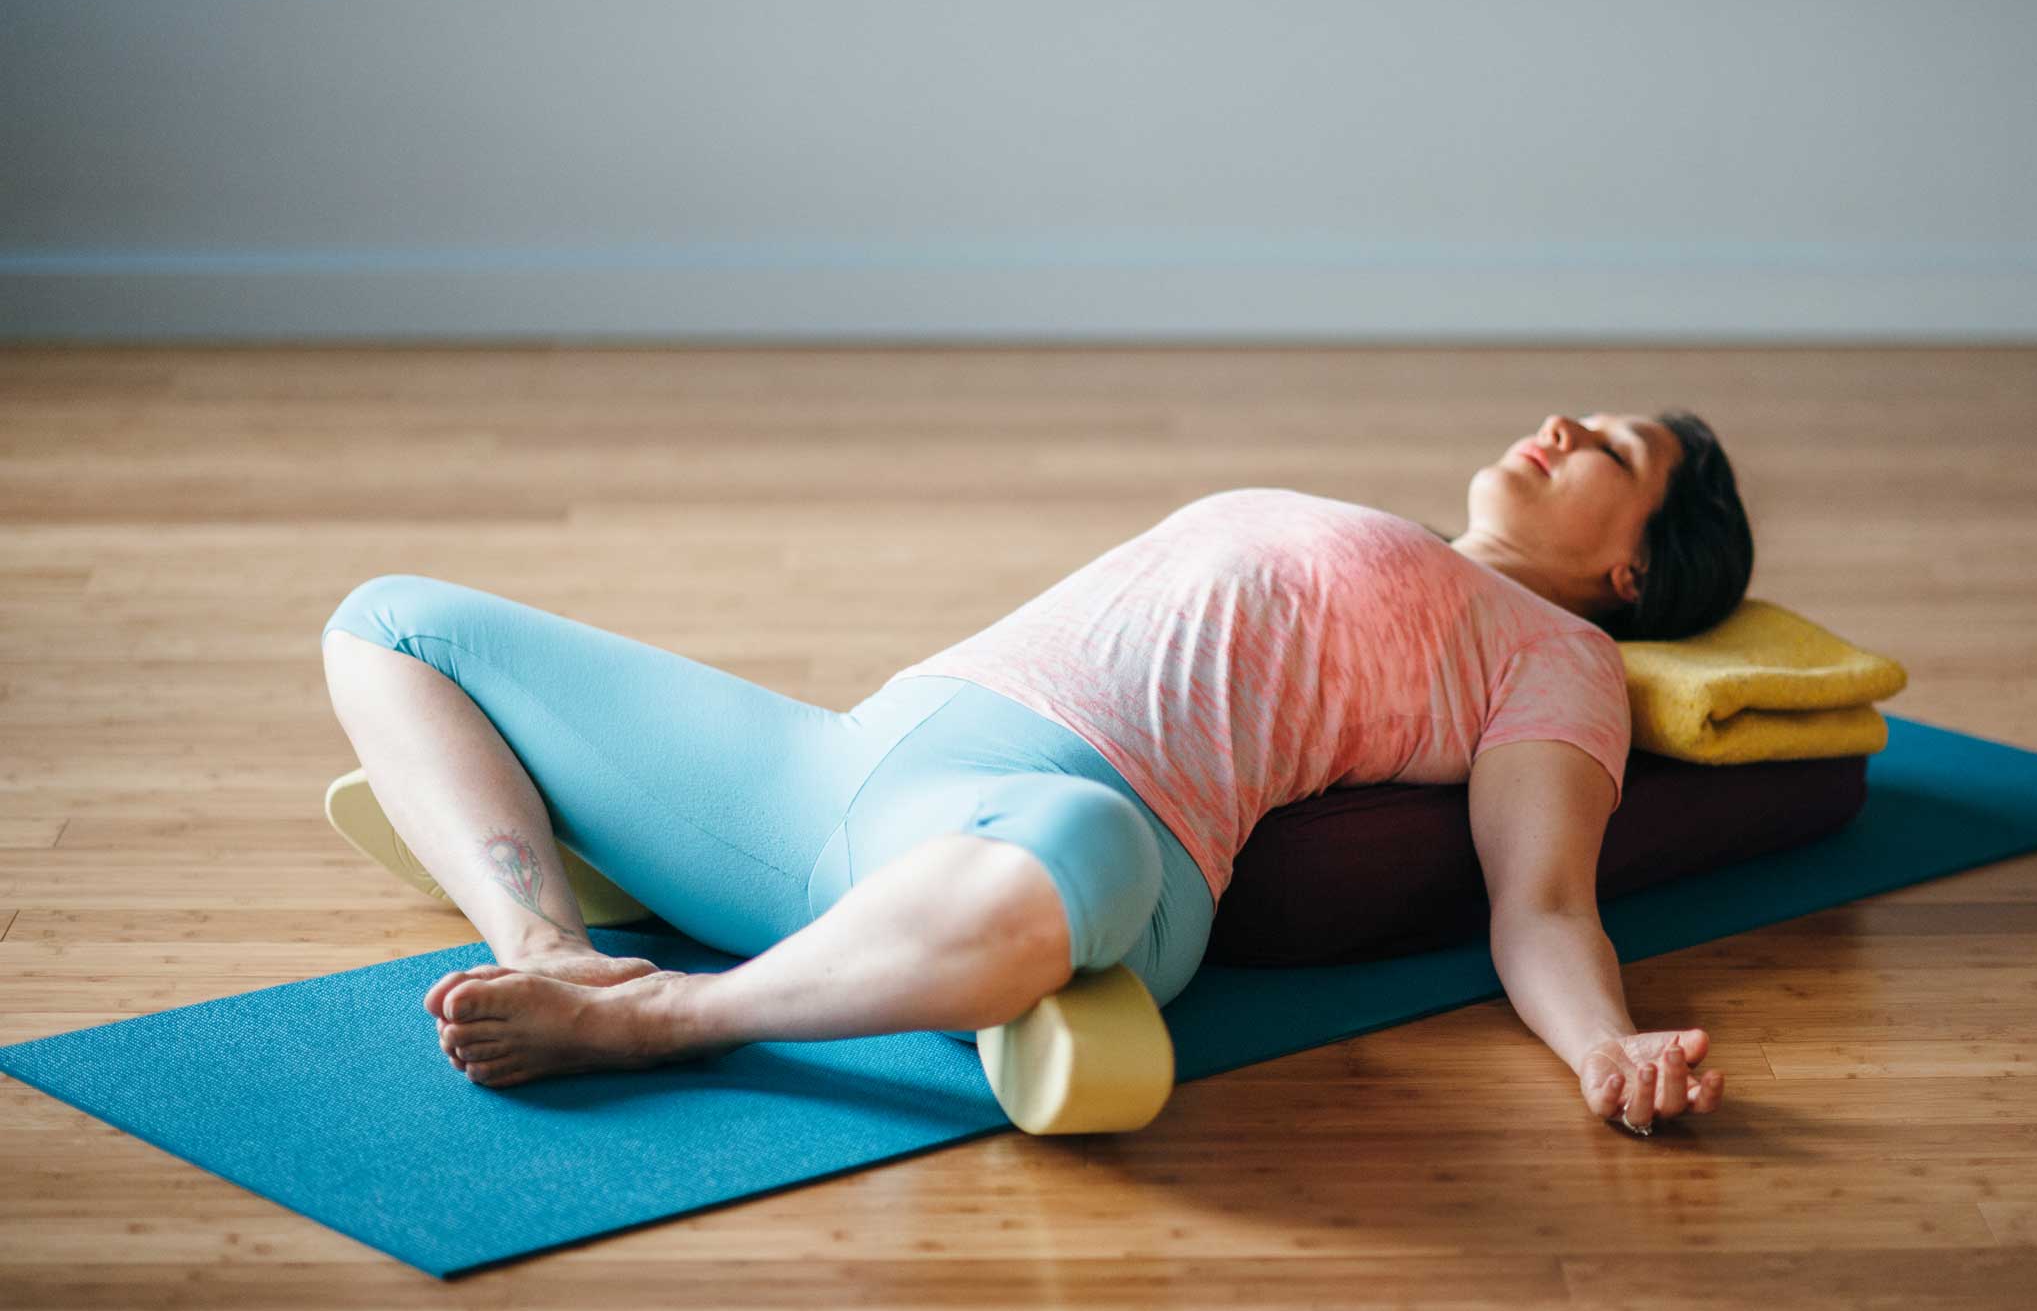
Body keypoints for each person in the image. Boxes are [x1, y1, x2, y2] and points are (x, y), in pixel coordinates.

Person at [319, 409, 1750, 1134]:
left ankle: (670, 1018)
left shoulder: (1559, 655)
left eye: (1611, 447)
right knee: (390, 620)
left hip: (1088, 835)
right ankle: (554, 952)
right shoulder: (1417, 540)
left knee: (1077, 842)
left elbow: (1545, 899)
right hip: (848, 766)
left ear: (1634, 562)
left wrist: (1604, 1047)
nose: (1559, 425)